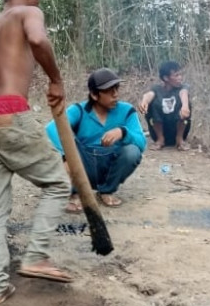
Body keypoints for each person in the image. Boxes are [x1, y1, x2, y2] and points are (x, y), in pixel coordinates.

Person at [0, 0, 73, 306]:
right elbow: (39, 39)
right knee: (58, 183)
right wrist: (55, 79)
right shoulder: (29, 11)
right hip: (10, 113)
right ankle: (36, 256)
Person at [46, 68, 146, 214]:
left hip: (111, 164)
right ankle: (74, 192)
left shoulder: (127, 111)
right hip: (83, 165)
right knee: (68, 143)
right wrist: (65, 156)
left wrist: (123, 132)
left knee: (132, 151)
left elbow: (141, 142)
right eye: (109, 90)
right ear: (94, 94)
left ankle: (106, 191)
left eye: (116, 88)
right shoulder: (79, 110)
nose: (115, 94)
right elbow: (51, 129)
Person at [137, 61, 192, 151]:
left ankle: (179, 140)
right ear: (166, 78)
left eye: (180, 75)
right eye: (176, 75)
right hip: (160, 130)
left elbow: (184, 94)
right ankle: (160, 140)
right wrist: (144, 102)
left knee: (186, 103)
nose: (180, 78)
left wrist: (185, 106)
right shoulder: (157, 89)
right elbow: (149, 95)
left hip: (176, 129)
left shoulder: (182, 88)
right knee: (152, 103)